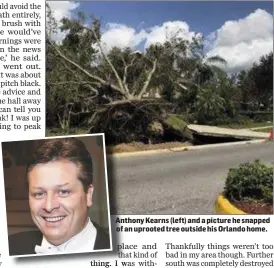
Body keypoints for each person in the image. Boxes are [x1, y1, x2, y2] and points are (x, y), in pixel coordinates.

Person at [8, 138, 110, 256]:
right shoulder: (10, 247)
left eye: (63, 192)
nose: (49, 206)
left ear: (88, 195)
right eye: (39, 194)